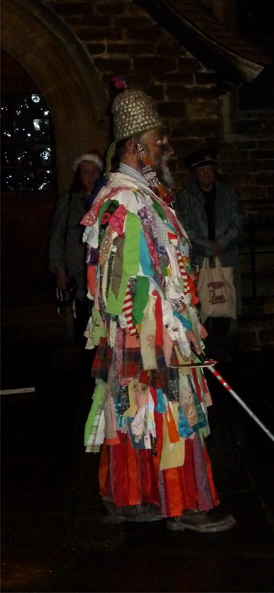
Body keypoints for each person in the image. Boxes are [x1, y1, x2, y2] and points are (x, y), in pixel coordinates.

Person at [80, 88, 235, 532]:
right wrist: (170, 323)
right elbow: (124, 282)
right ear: (134, 145)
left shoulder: (145, 195)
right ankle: (184, 504)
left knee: (130, 407)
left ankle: (127, 497)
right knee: (169, 407)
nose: (164, 146)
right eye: (156, 139)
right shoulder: (124, 202)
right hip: (149, 330)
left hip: (150, 327)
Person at [175, 149, 244, 362]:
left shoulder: (229, 194)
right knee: (202, 303)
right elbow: (185, 226)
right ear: (195, 173)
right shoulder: (186, 198)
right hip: (199, 258)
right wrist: (207, 246)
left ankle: (222, 349)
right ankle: (204, 350)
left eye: (209, 169)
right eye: (201, 170)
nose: (206, 174)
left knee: (224, 301)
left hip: (225, 257)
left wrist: (222, 244)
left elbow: (238, 220)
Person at [48, 150, 103, 345]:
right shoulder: (69, 200)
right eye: (86, 172)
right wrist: (59, 269)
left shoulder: (105, 200)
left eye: (94, 172)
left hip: (101, 268)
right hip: (78, 270)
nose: (90, 177)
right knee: (82, 316)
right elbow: (57, 235)